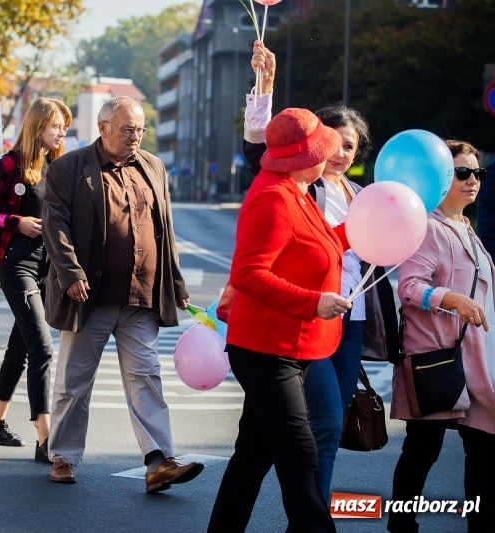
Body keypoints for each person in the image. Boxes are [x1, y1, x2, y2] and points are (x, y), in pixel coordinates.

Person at [240, 41, 399, 505]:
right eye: (334, 142)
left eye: (350, 146)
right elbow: (258, 149)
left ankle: (309, 511)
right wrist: (264, 85)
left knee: (303, 435)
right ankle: (312, 519)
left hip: (351, 325)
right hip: (303, 319)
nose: (341, 152)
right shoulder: (294, 186)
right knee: (325, 421)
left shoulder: (361, 194)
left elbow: (376, 248)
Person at [42, 96, 204, 491]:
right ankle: (63, 456)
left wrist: (176, 283)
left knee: (146, 376)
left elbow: (164, 228)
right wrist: (71, 273)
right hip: (89, 297)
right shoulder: (70, 168)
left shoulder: (153, 166)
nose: (136, 137)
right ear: (104, 128)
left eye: (140, 129)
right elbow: (54, 225)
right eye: (127, 129)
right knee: (75, 380)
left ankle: (158, 462)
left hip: (140, 296)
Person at [207, 107, 351, 532]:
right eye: (326, 149)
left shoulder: (297, 189)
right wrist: (313, 302)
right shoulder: (273, 196)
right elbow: (249, 274)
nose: (332, 155)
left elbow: (317, 246)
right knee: (300, 457)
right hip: (266, 349)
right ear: (307, 158)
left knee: (253, 456)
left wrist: (358, 229)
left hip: (286, 344)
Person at [388, 140, 495, 533]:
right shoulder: (429, 228)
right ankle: (402, 526)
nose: (472, 181)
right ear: (441, 178)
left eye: (476, 173)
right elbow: (409, 287)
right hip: (436, 357)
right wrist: (451, 298)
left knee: (485, 446)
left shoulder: (467, 228)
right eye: (462, 173)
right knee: (422, 449)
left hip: (476, 359)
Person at [0, 97, 71, 461]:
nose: (61, 133)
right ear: (38, 126)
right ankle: (46, 438)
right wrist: (15, 222)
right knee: (42, 347)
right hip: (14, 264)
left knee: (21, 347)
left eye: (64, 127)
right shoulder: (9, 165)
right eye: (56, 126)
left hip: (46, 267)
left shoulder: (55, 166)